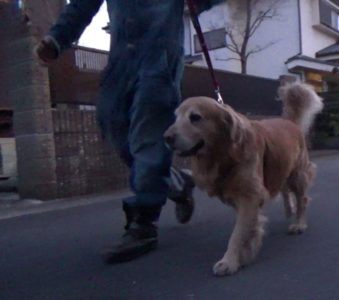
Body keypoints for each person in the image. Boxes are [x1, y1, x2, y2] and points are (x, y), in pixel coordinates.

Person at [35, 0, 225, 263]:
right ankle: (177, 183)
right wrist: (57, 38)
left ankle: (143, 221)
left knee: (146, 137)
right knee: (112, 126)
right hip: (121, 62)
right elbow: (81, 5)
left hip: (158, 61)